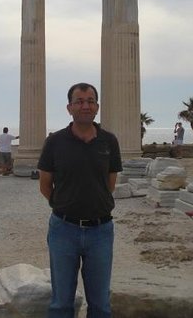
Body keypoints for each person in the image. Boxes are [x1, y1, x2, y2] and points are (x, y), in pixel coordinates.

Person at [38, 82, 122, 317]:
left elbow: (110, 183)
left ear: (97, 107)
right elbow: (45, 184)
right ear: (69, 107)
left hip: (101, 231)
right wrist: (64, 206)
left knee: (100, 305)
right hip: (64, 229)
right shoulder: (55, 142)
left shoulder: (109, 141)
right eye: (80, 101)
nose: (85, 106)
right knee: (61, 303)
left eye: (90, 101)